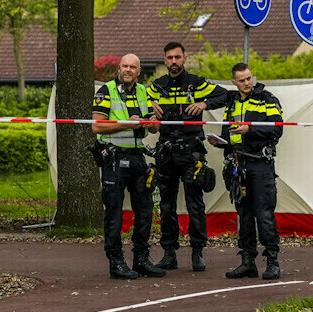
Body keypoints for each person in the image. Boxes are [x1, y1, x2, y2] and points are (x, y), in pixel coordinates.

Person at [204, 62, 285, 280]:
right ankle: (248, 262)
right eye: (242, 80)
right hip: (238, 165)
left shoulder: (267, 99)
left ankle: (272, 262)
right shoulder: (231, 103)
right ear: (234, 82)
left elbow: (277, 129)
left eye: (249, 78)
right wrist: (219, 142)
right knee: (244, 215)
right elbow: (229, 134)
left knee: (264, 215)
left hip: (260, 164)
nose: (247, 83)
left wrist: (250, 129)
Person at [147, 41, 222, 272]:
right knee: (166, 205)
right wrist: (150, 105)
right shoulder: (157, 86)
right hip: (166, 151)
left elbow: (225, 96)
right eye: (169, 58)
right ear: (164, 60)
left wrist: (204, 103)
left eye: (177, 57)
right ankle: (169, 253)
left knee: (195, 204)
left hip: (191, 151)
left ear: (184, 59)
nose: (173, 61)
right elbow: (137, 100)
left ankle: (197, 252)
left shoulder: (197, 83)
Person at [92, 53, 164, 279]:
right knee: (114, 211)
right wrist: (127, 124)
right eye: (125, 66)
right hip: (114, 158)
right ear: (119, 68)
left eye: (132, 67)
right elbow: (97, 126)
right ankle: (116, 262)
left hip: (137, 157)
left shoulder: (144, 91)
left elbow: (154, 128)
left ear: (139, 71)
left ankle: (141, 259)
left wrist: (153, 122)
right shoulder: (106, 90)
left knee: (145, 209)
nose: (128, 70)